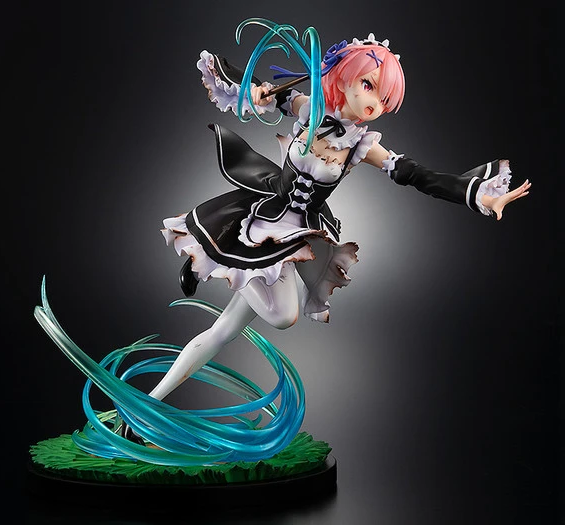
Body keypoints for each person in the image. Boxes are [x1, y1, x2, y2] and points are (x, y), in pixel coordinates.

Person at [142, 20, 531, 414]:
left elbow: (417, 175)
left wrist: (478, 195)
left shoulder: (362, 143)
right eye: (368, 85)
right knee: (283, 316)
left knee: (223, 331)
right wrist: (257, 92)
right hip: (261, 221)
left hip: (299, 237)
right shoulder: (309, 108)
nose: (374, 103)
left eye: (384, 99)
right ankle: (210, 263)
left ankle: (148, 402)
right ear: (344, 76)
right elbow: (264, 91)